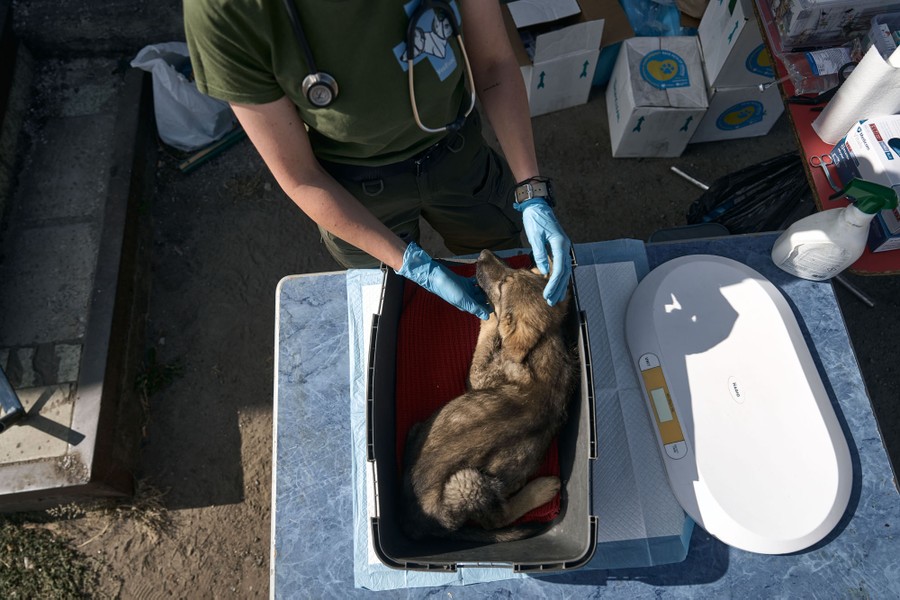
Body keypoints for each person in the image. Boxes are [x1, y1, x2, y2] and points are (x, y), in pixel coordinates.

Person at [183, 0, 572, 319]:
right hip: (353, 192)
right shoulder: (227, 12)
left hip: (458, 153)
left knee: (498, 252)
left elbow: (494, 66)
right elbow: (300, 175)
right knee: (393, 306)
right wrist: (407, 263)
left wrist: (530, 190)